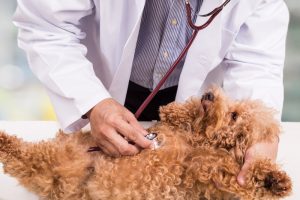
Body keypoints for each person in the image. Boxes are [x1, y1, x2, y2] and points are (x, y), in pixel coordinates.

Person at [13, 0, 289, 186]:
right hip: (100, 85)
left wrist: (260, 134)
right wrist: (92, 102)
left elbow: (256, 62)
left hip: (195, 105)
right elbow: (45, 26)